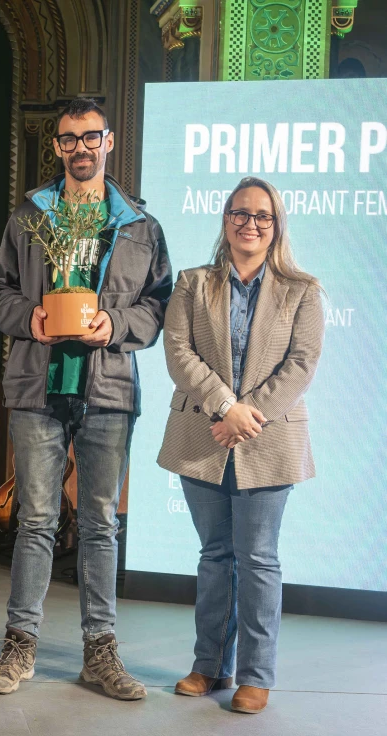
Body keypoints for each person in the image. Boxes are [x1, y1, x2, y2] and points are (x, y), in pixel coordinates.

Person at [0, 97, 172, 700]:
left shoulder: (139, 223)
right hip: (39, 384)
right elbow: (0, 291)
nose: (80, 148)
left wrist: (114, 325)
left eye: (91, 137)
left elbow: (159, 303)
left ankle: (100, 653)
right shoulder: (30, 216)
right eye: (69, 140)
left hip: (109, 386)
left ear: (109, 141)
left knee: (99, 525)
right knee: (36, 521)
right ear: (58, 147)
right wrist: (30, 320)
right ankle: (19, 648)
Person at [158, 177, 324, 715]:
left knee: (257, 560)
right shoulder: (191, 282)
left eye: (262, 216)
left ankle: (255, 674)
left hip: (268, 440)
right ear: (225, 218)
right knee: (214, 557)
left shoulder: (302, 290)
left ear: (276, 227)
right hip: (203, 434)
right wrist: (225, 407)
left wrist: (247, 416)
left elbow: (301, 364)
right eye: (240, 213)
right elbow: (178, 352)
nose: (250, 223)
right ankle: (209, 665)